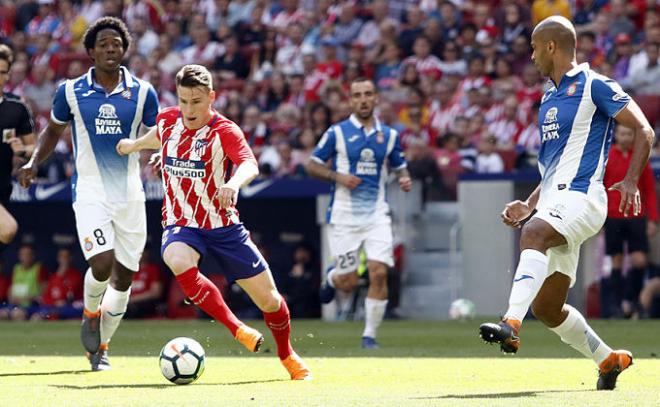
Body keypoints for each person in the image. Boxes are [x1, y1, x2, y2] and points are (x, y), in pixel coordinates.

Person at [479, 16, 655, 390]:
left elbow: (644, 128)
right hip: (554, 201)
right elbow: (553, 168)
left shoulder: (595, 84)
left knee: (534, 234)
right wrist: (529, 203)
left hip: (585, 197)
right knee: (547, 307)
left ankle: (510, 323)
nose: (531, 55)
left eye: (533, 47)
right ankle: (608, 359)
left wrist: (630, 179)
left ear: (551, 47)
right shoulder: (548, 95)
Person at [115, 64, 311, 381]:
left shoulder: (225, 131)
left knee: (270, 300)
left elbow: (248, 163)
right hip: (182, 222)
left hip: (224, 226)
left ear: (211, 97)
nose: (188, 109)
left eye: (196, 101)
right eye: (183, 100)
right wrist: (135, 145)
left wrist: (233, 185)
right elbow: (158, 136)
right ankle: (237, 329)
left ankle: (287, 355)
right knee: (177, 259)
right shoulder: (168, 120)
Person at [18, 17, 160, 371]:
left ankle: (102, 348)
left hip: (130, 194)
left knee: (125, 276)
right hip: (90, 191)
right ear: (91, 51)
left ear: (124, 49)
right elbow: (52, 130)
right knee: (102, 263)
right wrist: (34, 162)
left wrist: (157, 149)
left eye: (117, 43)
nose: (111, 48)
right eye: (104, 44)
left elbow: (160, 132)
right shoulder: (70, 91)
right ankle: (90, 312)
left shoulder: (143, 92)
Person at [305, 77, 411, 349]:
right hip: (344, 216)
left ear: (376, 98)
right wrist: (337, 176)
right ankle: (332, 277)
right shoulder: (337, 132)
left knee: (378, 273)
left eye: (368, 93)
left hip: (377, 215)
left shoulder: (389, 136)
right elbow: (312, 164)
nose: (363, 99)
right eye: (357, 95)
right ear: (351, 101)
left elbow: (399, 164)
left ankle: (369, 336)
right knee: (348, 282)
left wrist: (404, 177)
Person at [602, 124, 658, 318]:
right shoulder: (607, 158)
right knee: (616, 261)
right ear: (616, 135)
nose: (626, 137)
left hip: (636, 215)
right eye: (622, 134)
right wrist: (600, 217)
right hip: (613, 216)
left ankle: (632, 301)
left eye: (629, 134)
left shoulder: (641, 158)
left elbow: (649, 190)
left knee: (639, 260)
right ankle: (617, 307)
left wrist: (653, 219)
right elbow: (601, 189)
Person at [0, 44, 35, 253]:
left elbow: (34, 149)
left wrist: (22, 150)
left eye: (3, 72)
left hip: (3, 190)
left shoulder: (17, 108)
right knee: (8, 228)